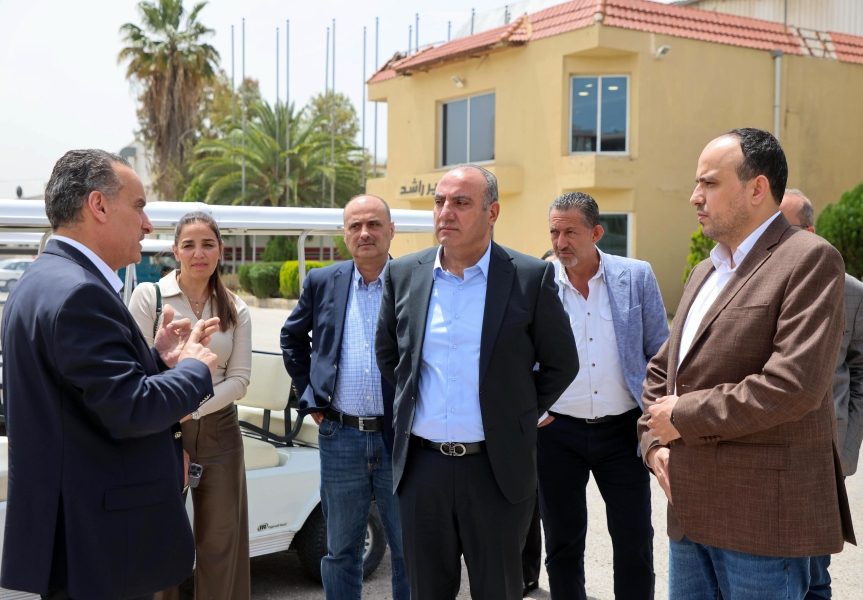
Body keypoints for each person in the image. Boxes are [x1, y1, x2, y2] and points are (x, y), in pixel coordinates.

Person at [638, 129, 855, 600]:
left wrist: (682, 416)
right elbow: (662, 370)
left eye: (710, 183)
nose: (695, 197)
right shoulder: (706, 270)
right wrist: (653, 445)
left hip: (761, 521)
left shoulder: (809, 259)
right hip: (689, 512)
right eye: (697, 183)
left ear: (757, 188)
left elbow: (794, 384)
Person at [0, 149, 219, 600]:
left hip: (74, 531)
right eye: (138, 207)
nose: (147, 225)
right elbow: (130, 409)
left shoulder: (40, 280)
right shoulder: (81, 292)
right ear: (98, 205)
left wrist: (157, 360)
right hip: (101, 541)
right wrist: (194, 368)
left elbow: (85, 393)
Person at [375, 164, 579, 600]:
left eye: (461, 202)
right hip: (422, 470)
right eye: (439, 202)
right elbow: (390, 356)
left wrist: (517, 412)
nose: (445, 212)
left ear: (492, 212)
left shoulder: (529, 277)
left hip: (496, 471)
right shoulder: (404, 274)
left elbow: (562, 363)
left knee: (498, 591)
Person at [540, 192, 668, 599]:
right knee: (562, 541)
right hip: (556, 433)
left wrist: (656, 417)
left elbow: (660, 353)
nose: (560, 242)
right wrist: (534, 410)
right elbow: (517, 351)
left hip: (623, 433)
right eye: (554, 232)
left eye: (570, 232)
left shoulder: (636, 276)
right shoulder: (537, 281)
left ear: (596, 233)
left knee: (634, 538)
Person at [281, 195, 409, 599]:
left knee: (408, 549)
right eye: (355, 226)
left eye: (374, 224)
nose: (364, 233)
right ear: (344, 234)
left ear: (391, 230)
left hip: (401, 438)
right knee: (340, 551)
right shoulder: (322, 281)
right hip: (340, 436)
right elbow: (291, 338)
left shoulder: (414, 280)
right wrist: (310, 394)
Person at [129, 211, 252, 600]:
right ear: (175, 251)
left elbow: (239, 380)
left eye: (208, 244)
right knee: (161, 541)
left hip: (220, 430)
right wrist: (175, 415)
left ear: (220, 250)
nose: (199, 253)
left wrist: (192, 409)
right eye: (189, 245)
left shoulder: (236, 308)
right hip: (161, 428)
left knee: (221, 543)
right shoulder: (149, 297)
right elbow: (135, 369)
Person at [779, 190, 863, 600]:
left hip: (824, 456)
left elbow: (860, 372)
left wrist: (846, 446)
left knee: (814, 574)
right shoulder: (746, 283)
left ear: (810, 233)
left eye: (784, 229)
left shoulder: (852, 293)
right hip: (763, 451)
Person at [521, 249, 559, 597]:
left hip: (564, 422)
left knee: (558, 508)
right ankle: (527, 574)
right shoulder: (529, 301)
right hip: (533, 423)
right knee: (528, 503)